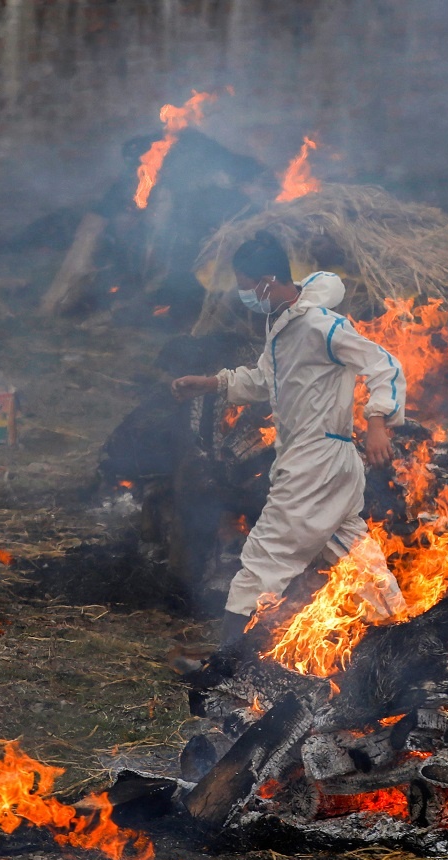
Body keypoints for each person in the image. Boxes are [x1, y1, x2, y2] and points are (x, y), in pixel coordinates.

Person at [171, 230, 407, 642]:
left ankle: (228, 659)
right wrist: (212, 384)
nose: (245, 295)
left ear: (267, 281)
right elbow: (266, 379)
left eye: (247, 286)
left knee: (266, 553)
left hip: (317, 461)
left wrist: (376, 422)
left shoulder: (322, 325)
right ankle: (402, 635)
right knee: (355, 556)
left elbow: (385, 365)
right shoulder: (281, 324)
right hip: (319, 463)